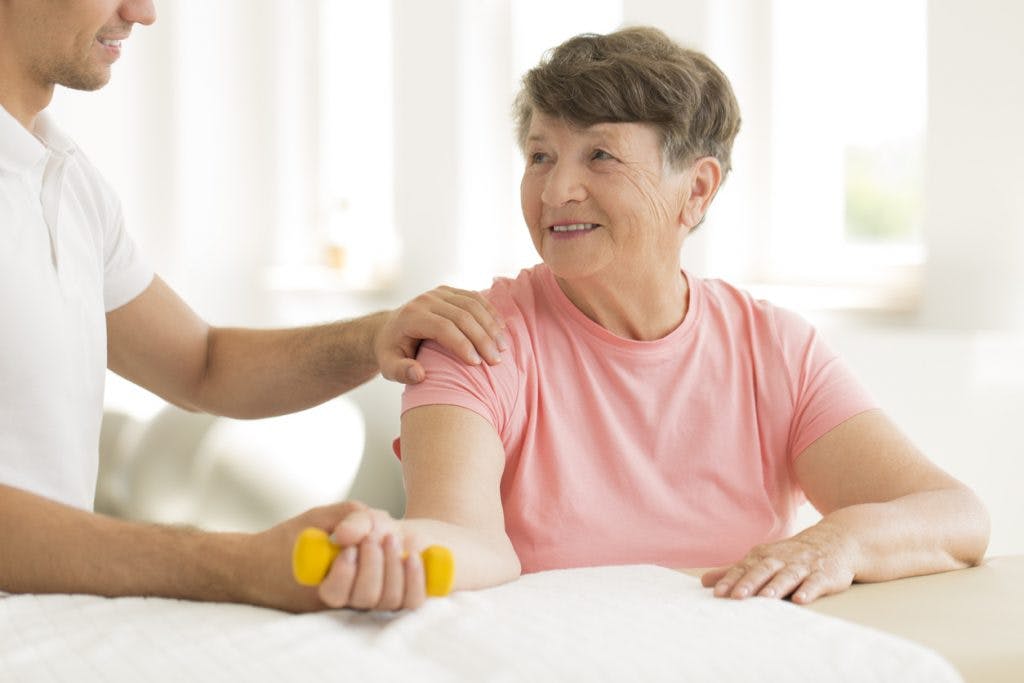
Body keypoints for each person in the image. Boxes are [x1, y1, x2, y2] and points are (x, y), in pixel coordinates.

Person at [314, 26, 991, 612]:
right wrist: (392, 547)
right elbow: (465, 536)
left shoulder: (775, 347)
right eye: (541, 155)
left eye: (599, 155)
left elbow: (956, 515)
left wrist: (836, 539)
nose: (556, 190)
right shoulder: (473, 339)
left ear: (695, 190)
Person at [0, 0, 507, 613]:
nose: (143, 12)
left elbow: (203, 365)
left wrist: (375, 337)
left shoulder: (68, 181)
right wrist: (237, 565)